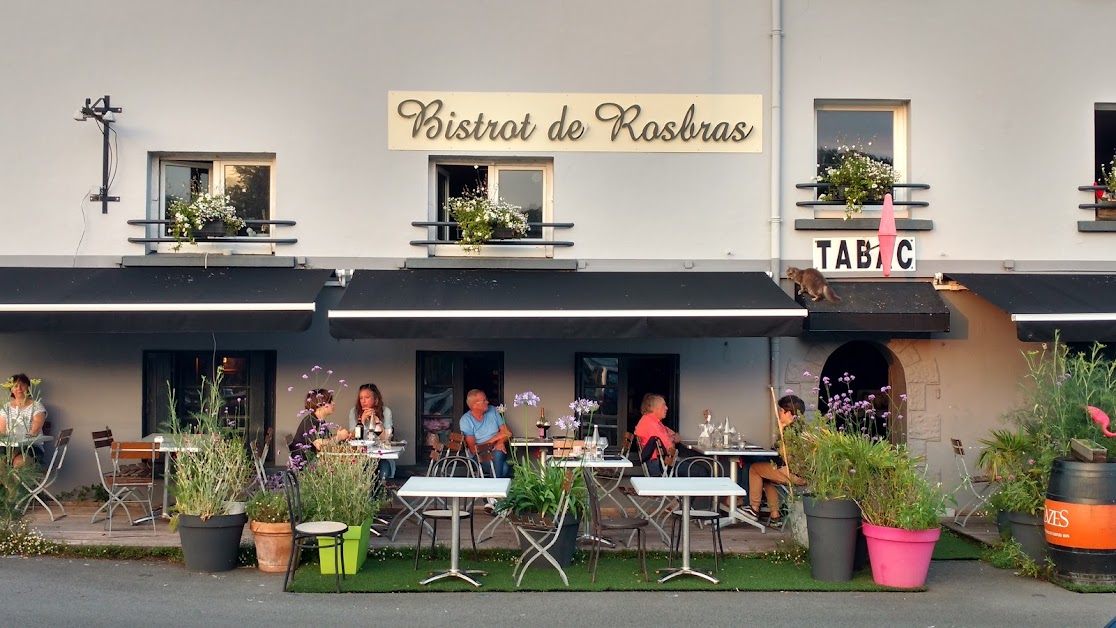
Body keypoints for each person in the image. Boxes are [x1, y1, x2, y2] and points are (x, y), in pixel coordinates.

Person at [742, 394, 807, 529]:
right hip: (799, 474)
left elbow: (782, 457)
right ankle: (775, 516)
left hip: (793, 474)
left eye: (780, 411)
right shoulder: (802, 429)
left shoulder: (791, 431)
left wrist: (782, 429)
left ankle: (754, 508)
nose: (778, 413)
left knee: (754, 468)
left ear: (788, 412)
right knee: (765, 474)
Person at [460, 388, 511, 479]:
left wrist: (500, 442)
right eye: (484, 400)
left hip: (497, 450)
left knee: (498, 453)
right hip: (480, 456)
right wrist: (495, 438)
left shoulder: (492, 410)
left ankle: (493, 489)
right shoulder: (466, 420)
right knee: (504, 468)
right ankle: (495, 488)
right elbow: (474, 450)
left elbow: (507, 432)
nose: (487, 402)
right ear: (475, 405)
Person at [348, 383, 396, 479]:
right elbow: (353, 437)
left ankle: (380, 493)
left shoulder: (385, 411)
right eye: (361, 398)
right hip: (361, 455)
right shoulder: (354, 411)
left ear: (375, 399)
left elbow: (386, 439)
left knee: (383, 473)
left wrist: (377, 422)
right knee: (359, 474)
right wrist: (361, 421)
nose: (363, 401)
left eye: (367, 397)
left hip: (381, 456)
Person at [288, 388, 350, 461]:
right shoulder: (310, 422)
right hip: (306, 464)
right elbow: (319, 445)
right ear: (320, 404)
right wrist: (338, 437)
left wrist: (342, 438)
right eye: (330, 401)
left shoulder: (320, 421)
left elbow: (327, 441)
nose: (333, 403)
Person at [0, 373, 47, 468]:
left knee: (20, 463)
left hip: (31, 447)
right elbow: (2, 430)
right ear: (11, 389)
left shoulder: (37, 406)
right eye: (15, 386)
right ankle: (7, 483)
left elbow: (36, 428)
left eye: (23, 385)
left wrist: (24, 439)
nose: (19, 388)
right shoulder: (6, 407)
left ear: (28, 388)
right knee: (1, 463)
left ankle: (16, 483)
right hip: (8, 447)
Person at [633, 393, 680, 478]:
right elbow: (670, 448)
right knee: (702, 471)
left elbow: (677, 437)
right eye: (663, 405)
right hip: (662, 466)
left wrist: (671, 438)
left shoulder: (653, 422)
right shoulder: (651, 425)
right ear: (654, 408)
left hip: (662, 463)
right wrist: (672, 439)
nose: (666, 408)